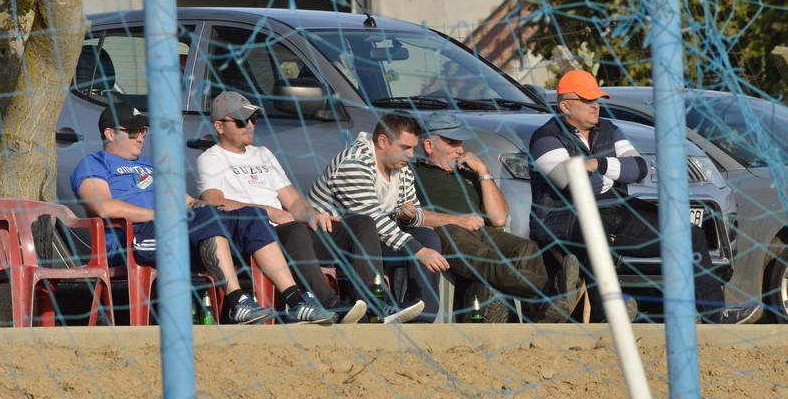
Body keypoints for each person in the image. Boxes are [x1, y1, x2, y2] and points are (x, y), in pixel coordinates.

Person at [529, 69, 763, 324]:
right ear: (565, 106)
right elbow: (577, 185)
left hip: (615, 210)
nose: (595, 105)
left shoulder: (608, 128)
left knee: (689, 234)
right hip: (565, 219)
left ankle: (714, 314)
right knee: (597, 235)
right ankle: (608, 318)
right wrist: (615, 173)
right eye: (587, 100)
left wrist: (599, 165)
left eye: (596, 99)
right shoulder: (546, 138)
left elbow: (639, 168)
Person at [70, 102, 336, 325]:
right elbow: (103, 207)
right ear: (109, 133)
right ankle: (237, 301)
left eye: (143, 130)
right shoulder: (94, 163)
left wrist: (216, 210)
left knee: (250, 216)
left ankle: (294, 300)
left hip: (178, 231)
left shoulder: (151, 166)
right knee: (206, 218)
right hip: (134, 237)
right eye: (132, 132)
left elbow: (188, 202)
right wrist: (160, 215)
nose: (140, 137)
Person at [196, 91, 411, 324]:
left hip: (291, 233)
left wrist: (313, 214)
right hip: (259, 238)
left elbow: (293, 201)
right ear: (219, 126)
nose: (249, 125)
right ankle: (330, 304)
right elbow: (214, 201)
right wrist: (272, 212)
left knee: (361, 224)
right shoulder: (211, 158)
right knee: (295, 230)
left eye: (253, 119)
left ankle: (376, 304)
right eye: (241, 121)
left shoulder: (263, 154)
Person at [413, 111, 580, 322]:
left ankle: (540, 315)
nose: (460, 150)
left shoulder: (468, 173)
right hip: (445, 231)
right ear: (429, 146)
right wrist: (458, 220)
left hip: (481, 230)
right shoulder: (414, 173)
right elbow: (410, 214)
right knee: (486, 256)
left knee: (526, 249)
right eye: (452, 143)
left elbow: (499, 219)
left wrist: (483, 171)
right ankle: (550, 291)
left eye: (461, 143)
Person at [308, 113, 449, 323]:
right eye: (405, 147)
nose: (411, 155)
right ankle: (375, 308)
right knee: (368, 226)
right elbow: (372, 217)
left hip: (370, 240)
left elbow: (417, 212)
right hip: (327, 239)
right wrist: (417, 250)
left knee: (426, 237)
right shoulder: (354, 163)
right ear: (383, 141)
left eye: (413, 148)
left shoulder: (401, 169)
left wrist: (408, 217)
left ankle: (422, 317)